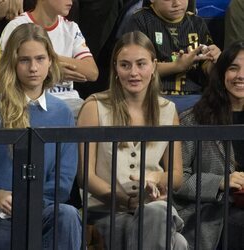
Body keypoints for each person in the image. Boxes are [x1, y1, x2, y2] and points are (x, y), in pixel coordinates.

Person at [77, 31, 188, 249]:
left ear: (154, 65)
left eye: (141, 64)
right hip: (106, 213)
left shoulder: (168, 110)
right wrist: (124, 200)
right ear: (115, 68)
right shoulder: (94, 107)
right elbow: (85, 177)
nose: (133, 73)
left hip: (153, 208)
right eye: (125, 65)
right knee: (178, 243)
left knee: (157, 213)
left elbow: (176, 176)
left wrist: (157, 178)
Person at [0, 23, 81, 250]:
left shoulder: (62, 113)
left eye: (40, 59)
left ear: (51, 61)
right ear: (13, 62)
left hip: (42, 208)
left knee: (68, 216)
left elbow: (63, 180)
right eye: (25, 60)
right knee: (4, 237)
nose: (33, 67)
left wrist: (28, 201)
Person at [173, 40, 244, 249]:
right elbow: (177, 181)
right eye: (233, 68)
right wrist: (221, 182)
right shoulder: (193, 119)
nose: (241, 76)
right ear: (221, 74)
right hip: (213, 211)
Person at [0, 0, 99, 116]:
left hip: (70, 100)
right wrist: (50, 69)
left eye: (41, 58)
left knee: (94, 112)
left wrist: (51, 60)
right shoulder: (16, 26)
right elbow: (6, 71)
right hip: (29, 100)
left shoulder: (71, 28)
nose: (71, 1)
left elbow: (92, 73)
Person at [123, 0, 221, 113]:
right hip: (153, 98)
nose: (177, 3)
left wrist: (215, 60)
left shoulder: (197, 23)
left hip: (195, 98)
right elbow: (134, 68)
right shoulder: (140, 20)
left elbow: (207, 68)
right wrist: (177, 66)